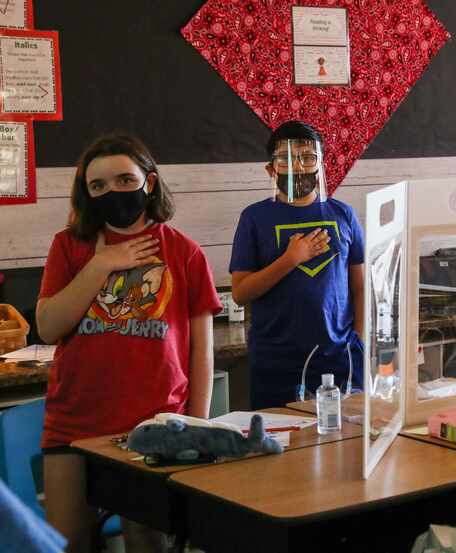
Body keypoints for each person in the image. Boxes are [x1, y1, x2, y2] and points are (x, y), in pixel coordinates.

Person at [37, 134, 221, 552]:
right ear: (86, 192)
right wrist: (102, 264)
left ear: (149, 183)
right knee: (65, 544)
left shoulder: (185, 253)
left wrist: (196, 427)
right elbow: (48, 326)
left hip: (156, 426)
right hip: (75, 425)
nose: (112, 192)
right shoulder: (69, 246)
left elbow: (201, 352)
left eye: (124, 180)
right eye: (97, 185)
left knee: (147, 543)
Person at [230, 120, 365, 408]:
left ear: (321, 167)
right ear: (270, 169)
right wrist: (291, 259)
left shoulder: (344, 214)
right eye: (286, 159)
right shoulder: (254, 218)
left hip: (339, 356)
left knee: (342, 442)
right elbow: (241, 293)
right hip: (275, 360)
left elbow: (361, 286)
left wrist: (359, 339)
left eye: (307, 157)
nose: (298, 166)